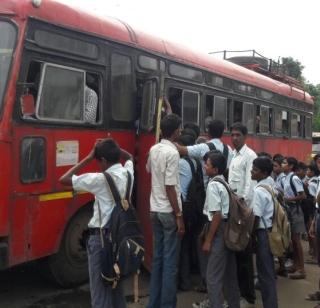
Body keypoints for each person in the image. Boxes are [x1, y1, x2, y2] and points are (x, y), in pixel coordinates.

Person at [59, 138, 133, 308]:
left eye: (99, 161)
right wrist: (114, 148)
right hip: (121, 239)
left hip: (101, 240)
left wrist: (88, 157)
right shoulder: (129, 173)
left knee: (100, 293)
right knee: (116, 288)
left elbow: (64, 179)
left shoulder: (100, 179)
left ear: (104, 161)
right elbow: (128, 157)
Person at [146, 114, 185, 308]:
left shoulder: (154, 149)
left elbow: (148, 170)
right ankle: (167, 304)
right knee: (170, 264)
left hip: (154, 209)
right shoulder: (173, 153)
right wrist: (179, 216)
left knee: (158, 259)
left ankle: (153, 303)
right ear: (176, 131)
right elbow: (171, 187)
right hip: (169, 212)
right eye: (180, 128)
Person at [195, 151, 240, 308]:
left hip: (219, 232)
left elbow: (217, 215)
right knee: (229, 275)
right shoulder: (224, 182)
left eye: (207, 164)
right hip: (228, 232)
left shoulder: (213, 185)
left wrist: (208, 240)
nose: (205, 166)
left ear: (215, 169)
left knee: (212, 278)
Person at [228, 122, 257, 307]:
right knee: (236, 254)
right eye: (233, 135)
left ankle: (248, 297)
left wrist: (243, 210)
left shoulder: (249, 156)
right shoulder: (233, 155)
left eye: (238, 135)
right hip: (234, 209)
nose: (234, 138)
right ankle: (239, 293)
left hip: (243, 212)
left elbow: (249, 186)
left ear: (245, 137)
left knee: (244, 254)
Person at [251, 157, 278, 308]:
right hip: (270, 231)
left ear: (264, 173)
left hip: (262, 234)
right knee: (268, 272)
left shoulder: (259, 191)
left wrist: (251, 235)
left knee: (265, 273)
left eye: (255, 170)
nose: (251, 172)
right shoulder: (270, 186)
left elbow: (256, 216)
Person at [177, 132, 200, 291]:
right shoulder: (196, 161)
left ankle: (184, 282)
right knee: (190, 242)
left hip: (184, 206)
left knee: (182, 246)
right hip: (194, 207)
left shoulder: (180, 163)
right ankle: (193, 273)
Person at [282, 156, 307, 279]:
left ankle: (302, 269)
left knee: (297, 241)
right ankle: (296, 265)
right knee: (292, 239)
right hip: (289, 210)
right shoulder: (285, 178)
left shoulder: (294, 177)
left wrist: (288, 199)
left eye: (284, 163)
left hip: (295, 210)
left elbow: (302, 196)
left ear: (291, 166)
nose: (282, 164)